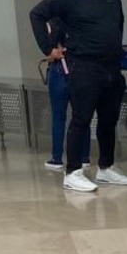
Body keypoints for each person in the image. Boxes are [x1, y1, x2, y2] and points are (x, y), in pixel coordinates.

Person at [30, 0, 127, 192]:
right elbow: (36, 14)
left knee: (109, 121)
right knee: (81, 119)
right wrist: (48, 48)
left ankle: (106, 168)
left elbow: (118, 26)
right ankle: (73, 172)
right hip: (83, 68)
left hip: (111, 68)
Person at [41, 19, 91, 170]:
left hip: (58, 70)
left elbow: (51, 54)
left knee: (58, 117)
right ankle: (84, 157)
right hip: (80, 71)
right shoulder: (81, 24)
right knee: (81, 116)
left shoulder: (51, 24)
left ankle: (57, 158)